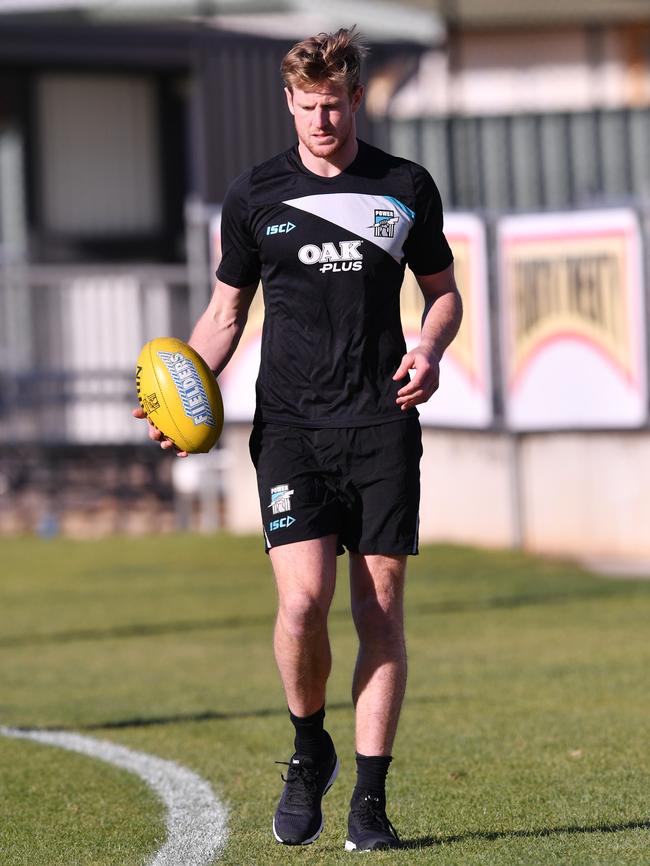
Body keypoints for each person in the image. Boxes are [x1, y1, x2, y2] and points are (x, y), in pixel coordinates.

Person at [135, 26, 462, 852]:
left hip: (382, 423)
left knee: (380, 610)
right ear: (290, 101)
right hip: (289, 426)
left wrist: (428, 346)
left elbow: (444, 294)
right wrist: (181, 393)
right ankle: (308, 745)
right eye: (308, 105)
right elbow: (223, 316)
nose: (322, 119)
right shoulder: (253, 196)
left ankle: (369, 805)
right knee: (302, 601)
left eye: (335, 103)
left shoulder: (404, 186)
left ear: (357, 96)